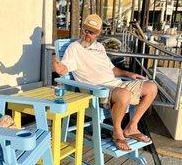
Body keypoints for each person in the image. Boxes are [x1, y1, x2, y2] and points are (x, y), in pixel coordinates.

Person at [53, 13, 158, 151]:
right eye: (85, 30)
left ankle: (132, 127)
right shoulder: (74, 48)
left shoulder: (99, 47)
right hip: (97, 90)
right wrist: (56, 62)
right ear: (81, 29)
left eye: (92, 32)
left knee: (152, 87)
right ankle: (117, 132)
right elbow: (63, 68)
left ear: (98, 33)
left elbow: (112, 69)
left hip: (116, 85)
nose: (87, 34)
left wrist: (129, 74)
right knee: (124, 95)